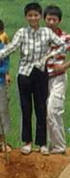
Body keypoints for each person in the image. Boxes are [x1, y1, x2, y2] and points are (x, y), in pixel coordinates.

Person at [0, 2, 65, 155]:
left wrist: (48, 57)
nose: (33, 18)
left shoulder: (46, 33)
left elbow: (61, 45)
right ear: (26, 17)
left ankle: (42, 143)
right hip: (24, 73)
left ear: (40, 17)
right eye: (30, 15)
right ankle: (27, 142)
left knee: (41, 108)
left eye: (36, 15)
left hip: (41, 72)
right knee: (25, 107)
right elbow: (11, 48)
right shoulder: (22, 32)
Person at [43, 5, 70, 155]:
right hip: (42, 79)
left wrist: (65, 66)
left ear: (59, 20)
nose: (51, 22)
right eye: (49, 19)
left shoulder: (64, 37)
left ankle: (59, 146)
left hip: (58, 78)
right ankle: (47, 144)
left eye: (54, 19)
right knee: (44, 112)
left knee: (54, 110)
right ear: (45, 20)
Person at [0, 20, 12, 152]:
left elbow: (5, 68)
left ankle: (2, 141)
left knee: (2, 111)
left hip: (0, 83)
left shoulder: (4, 49)